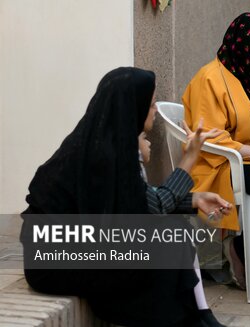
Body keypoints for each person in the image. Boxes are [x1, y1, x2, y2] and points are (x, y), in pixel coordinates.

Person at [20, 67, 231, 327]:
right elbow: (148, 210)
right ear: (134, 107)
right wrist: (189, 159)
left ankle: (197, 316)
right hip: (54, 264)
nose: (154, 110)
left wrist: (193, 200)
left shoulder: (106, 145)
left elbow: (137, 203)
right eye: (151, 104)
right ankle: (183, 319)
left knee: (171, 234)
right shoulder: (103, 156)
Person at [182, 12, 250, 289]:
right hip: (219, 164)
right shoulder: (209, 79)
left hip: (247, 159)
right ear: (245, 45)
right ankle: (244, 250)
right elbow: (210, 140)